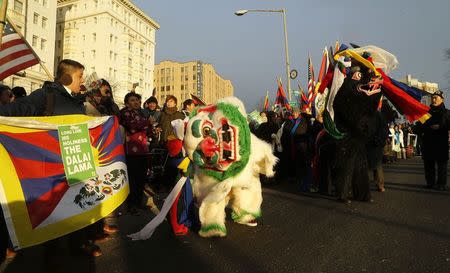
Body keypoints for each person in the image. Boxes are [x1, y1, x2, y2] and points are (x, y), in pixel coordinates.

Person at [119, 92, 151, 213]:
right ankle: (132, 205)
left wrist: (150, 126)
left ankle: (138, 202)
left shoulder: (141, 113)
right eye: (132, 100)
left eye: (137, 100)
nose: (136, 102)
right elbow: (132, 125)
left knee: (141, 178)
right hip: (131, 151)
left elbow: (148, 130)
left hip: (143, 150)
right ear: (127, 103)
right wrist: (147, 123)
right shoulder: (125, 112)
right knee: (132, 179)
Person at [417, 90, 450, 190]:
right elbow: (418, 126)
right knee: (429, 164)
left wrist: (440, 127)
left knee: (442, 165)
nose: (434, 100)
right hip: (428, 143)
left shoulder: (447, 113)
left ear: (442, 99)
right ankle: (430, 183)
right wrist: (427, 128)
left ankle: (441, 184)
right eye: (433, 98)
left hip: (441, 143)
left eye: (436, 98)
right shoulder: (426, 113)